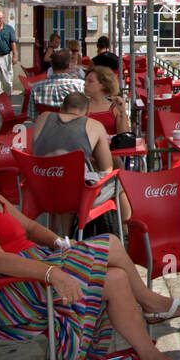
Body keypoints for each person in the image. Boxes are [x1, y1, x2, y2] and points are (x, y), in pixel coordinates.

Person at [0, 121, 180, 360]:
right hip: (4, 295)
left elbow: (31, 228)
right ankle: (150, 305)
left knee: (117, 277)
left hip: (26, 274)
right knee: (111, 245)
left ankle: (150, 355)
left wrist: (61, 244)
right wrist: (52, 273)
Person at [31, 90, 133, 233]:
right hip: (75, 197)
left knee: (65, 178)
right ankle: (128, 232)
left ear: (61, 109)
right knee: (120, 180)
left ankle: (57, 237)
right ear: (87, 113)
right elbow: (107, 169)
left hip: (40, 190)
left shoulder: (43, 118)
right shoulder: (94, 125)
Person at [29, 49, 86, 119]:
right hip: (72, 126)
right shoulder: (80, 85)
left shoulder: (36, 88)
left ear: (51, 65)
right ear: (68, 66)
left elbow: (32, 116)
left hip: (47, 127)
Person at [84, 65, 130, 135]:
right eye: (85, 80)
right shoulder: (81, 106)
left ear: (103, 85)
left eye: (90, 81)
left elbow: (124, 136)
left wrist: (122, 112)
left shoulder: (115, 108)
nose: (85, 84)